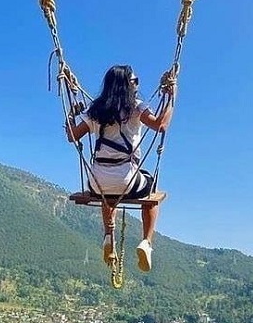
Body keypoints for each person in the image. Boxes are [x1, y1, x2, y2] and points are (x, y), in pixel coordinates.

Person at [65, 64, 175, 273]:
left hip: (97, 182)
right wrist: (171, 99)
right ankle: (147, 242)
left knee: (108, 194)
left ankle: (109, 235)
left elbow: (72, 135)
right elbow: (160, 125)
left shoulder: (95, 111)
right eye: (135, 81)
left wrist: (71, 115)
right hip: (127, 180)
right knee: (152, 191)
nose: (137, 85)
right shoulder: (136, 107)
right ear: (127, 85)